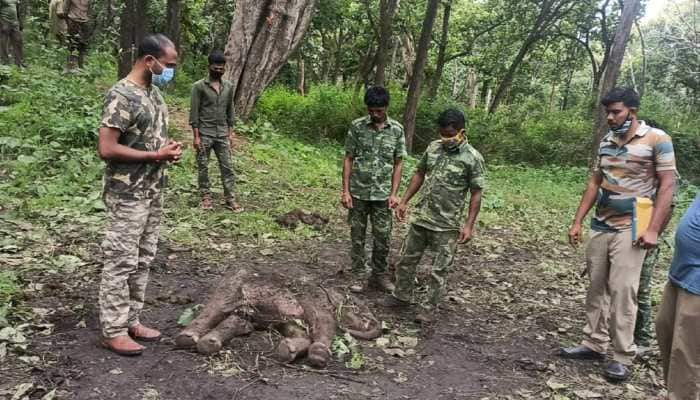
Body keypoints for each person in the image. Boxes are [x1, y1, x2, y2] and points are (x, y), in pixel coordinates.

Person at [561, 88, 676, 382]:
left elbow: (667, 186)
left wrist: (653, 229)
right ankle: (593, 344)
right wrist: (577, 221)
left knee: (624, 291)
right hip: (602, 225)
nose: (610, 117)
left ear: (632, 110)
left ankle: (623, 356)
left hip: (634, 227)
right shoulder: (607, 141)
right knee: (596, 288)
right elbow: (595, 182)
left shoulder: (657, 140)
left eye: (616, 112)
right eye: (608, 112)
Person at [97, 33, 182, 356]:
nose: (170, 70)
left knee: (143, 258)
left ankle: (131, 319)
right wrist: (153, 157)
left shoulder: (154, 95)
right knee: (121, 260)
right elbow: (107, 148)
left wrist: (168, 151)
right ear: (150, 61)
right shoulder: (122, 95)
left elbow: (151, 139)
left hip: (152, 190)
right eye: (168, 64)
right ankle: (112, 329)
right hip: (127, 193)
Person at [384, 108, 485, 323]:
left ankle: (428, 308)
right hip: (422, 216)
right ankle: (401, 296)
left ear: (461, 132)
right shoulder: (433, 148)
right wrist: (404, 201)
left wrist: (469, 225)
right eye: (443, 134)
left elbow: (476, 193)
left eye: (450, 135)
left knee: (439, 270)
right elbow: (419, 174)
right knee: (406, 260)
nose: (446, 139)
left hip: (447, 223)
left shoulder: (473, 158)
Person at [342, 86, 406, 293]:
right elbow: (349, 158)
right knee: (357, 236)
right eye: (371, 110)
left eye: (379, 110)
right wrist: (345, 191)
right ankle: (359, 276)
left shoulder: (396, 129)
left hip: (383, 195)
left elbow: (398, 163)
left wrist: (395, 193)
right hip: (359, 193)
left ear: (386, 107)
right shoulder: (357, 127)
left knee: (383, 237)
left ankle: (378, 276)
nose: (374, 114)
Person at [656, 191, 700, 400]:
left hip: (697, 283)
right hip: (680, 274)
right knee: (665, 332)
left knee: (687, 353)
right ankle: (675, 393)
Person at [189, 50, 242, 212]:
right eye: (216, 68)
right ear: (209, 67)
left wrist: (231, 133)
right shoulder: (199, 87)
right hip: (204, 133)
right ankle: (205, 197)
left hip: (222, 134)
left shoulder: (229, 87)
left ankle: (230, 198)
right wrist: (196, 137)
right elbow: (194, 113)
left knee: (227, 167)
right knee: (203, 166)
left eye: (221, 68)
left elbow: (230, 111)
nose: (218, 71)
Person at [58, 0, 90, 71]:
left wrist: (68, 22)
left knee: (73, 46)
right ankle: (79, 67)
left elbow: (64, 11)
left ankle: (73, 67)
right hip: (83, 22)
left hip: (74, 21)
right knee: (81, 47)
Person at [0, 0, 25, 67]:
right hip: (5, 22)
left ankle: (19, 63)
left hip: (15, 23)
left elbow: (17, 9)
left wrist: (20, 22)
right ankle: (5, 62)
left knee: (18, 41)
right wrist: (2, 23)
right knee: (3, 43)